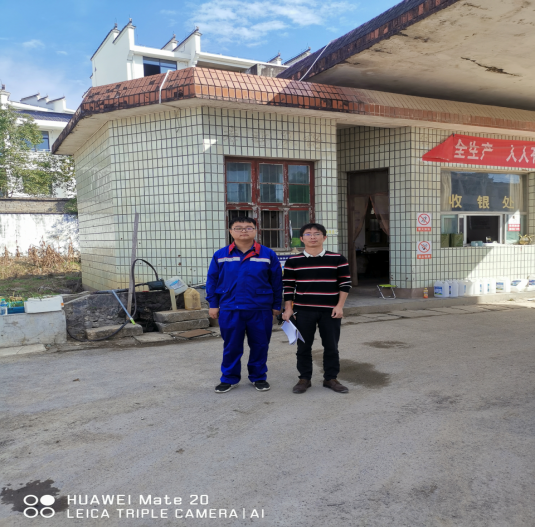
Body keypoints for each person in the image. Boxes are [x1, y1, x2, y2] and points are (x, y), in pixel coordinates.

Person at [206, 216, 283, 393]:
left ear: (255, 231)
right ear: (231, 231)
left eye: (248, 227)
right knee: (231, 346)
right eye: (238, 228)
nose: (244, 231)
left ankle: (258, 377)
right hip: (231, 307)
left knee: (260, 345)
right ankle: (229, 378)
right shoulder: (221, 255)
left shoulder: (267, 254)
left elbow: (276, 281)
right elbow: (212, 280)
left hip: (260, 308)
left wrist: (276, 305)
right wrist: (213, 304)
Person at [282, 223, 351, 394]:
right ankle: (304, 379)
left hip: (330, 311)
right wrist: (288, 309)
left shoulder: (338, 259)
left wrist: (340, 306)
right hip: (303, 311)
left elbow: (345, 284)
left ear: (324, 237)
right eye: (308, 234)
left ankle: (331, 378)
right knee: (303, 347)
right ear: (301, 238)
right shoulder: (293, 261)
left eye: (317, 233)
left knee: (331, 346)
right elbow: (288, 287)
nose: (312, 237)